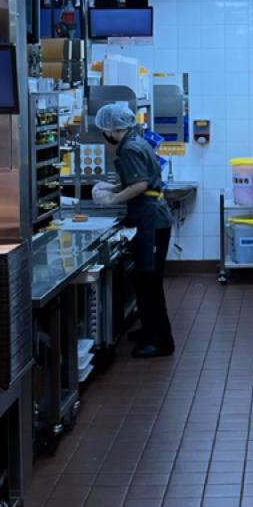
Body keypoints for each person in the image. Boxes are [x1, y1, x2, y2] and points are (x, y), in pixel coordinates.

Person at [91, 102, 175, 358]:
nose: (104, 134)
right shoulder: (136, 142)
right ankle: (149, 330)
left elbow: (140, 185)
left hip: (152, 221)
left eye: (104, 130)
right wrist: (112, 188)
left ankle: (161, 342)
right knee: (144, 280)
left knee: (150, 282)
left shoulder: (129, 148)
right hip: (149, 218)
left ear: (110, 128)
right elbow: (137, 179)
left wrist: (113, 199)